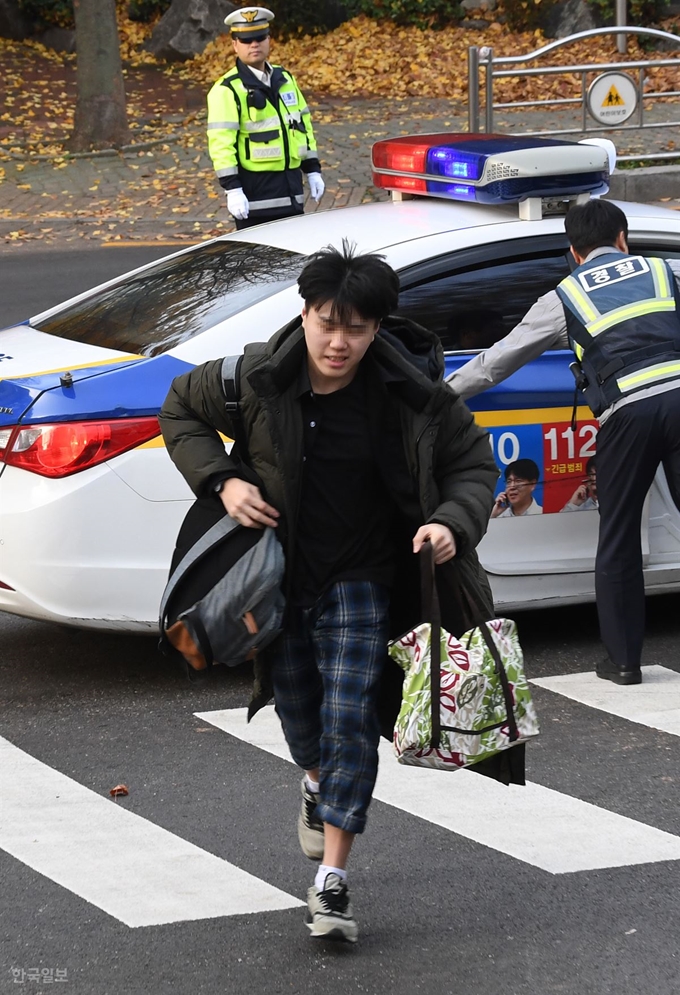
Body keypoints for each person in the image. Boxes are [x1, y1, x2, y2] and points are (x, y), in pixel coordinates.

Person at [159, 242, 500, 944]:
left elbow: (471, 466)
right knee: (302, 719)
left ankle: (332, 882)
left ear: (377, 328)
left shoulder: (413, 396)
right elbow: (178, 410)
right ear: (306, 313)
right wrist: (224, 479)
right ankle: (316, 784)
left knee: (350, 721)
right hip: (279, 580)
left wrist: (447, 523)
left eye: (357, 328)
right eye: (327, 323)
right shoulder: (256, 377)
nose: (339, 342)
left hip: (365, 580)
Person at [447, 198, 680, 687]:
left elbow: (498, 361)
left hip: (628, 413)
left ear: (573, 252)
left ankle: (623, 663)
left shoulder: (564, 295)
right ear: (623, 239)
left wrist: (437, 394)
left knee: (617, 535)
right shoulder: (663, 270)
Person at [206, 6, 324, 229]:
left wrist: (312, 170)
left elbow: (302, 126)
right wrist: (232, 189)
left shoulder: (285, 78)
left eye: (260, 38)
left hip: (292, 193)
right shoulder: (227, 90)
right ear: (234, 45)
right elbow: (221, 145)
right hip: (255, 199)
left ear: (269, 40)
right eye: (246, 39)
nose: (254, 44)